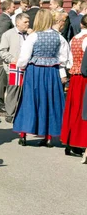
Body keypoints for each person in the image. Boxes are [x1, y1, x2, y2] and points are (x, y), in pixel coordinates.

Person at [14, 9, 68, 147]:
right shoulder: (59, 37)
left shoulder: (33, 37)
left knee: (30, 101)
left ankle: (24, 133)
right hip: (52, 72)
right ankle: (48, 136)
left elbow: (24, 58)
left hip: (34, 72)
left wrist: (21, 66)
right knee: (49, 101)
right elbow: (64, 59)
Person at [61, 14, 87, 156]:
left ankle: (70, 140)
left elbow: (69, 61)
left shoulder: (74, 39)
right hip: (84, 77)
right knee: (83, 110)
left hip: (75, 76)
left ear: (82, 24)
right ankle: (79, 142)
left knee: (74, 108)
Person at [0, 13, 30, 123]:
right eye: (25, 22)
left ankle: (22, 111)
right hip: (13, 68)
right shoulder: (8, 34)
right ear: (18, 22)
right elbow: (2, 51)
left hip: (26, 66)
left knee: (25, 90)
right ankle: (10, 113)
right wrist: (12, 60)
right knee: (13, 90)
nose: (28, 24)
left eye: (28, 22)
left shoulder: (29, 35)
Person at [0, 0, 15, 113]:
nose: (14, 8)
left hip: (0, 52)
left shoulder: (4, 18)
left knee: (3, 78)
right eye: (13, 7)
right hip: (2, 53)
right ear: (7, 9)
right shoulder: (5, 21)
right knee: (3, 78)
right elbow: (5, 38)